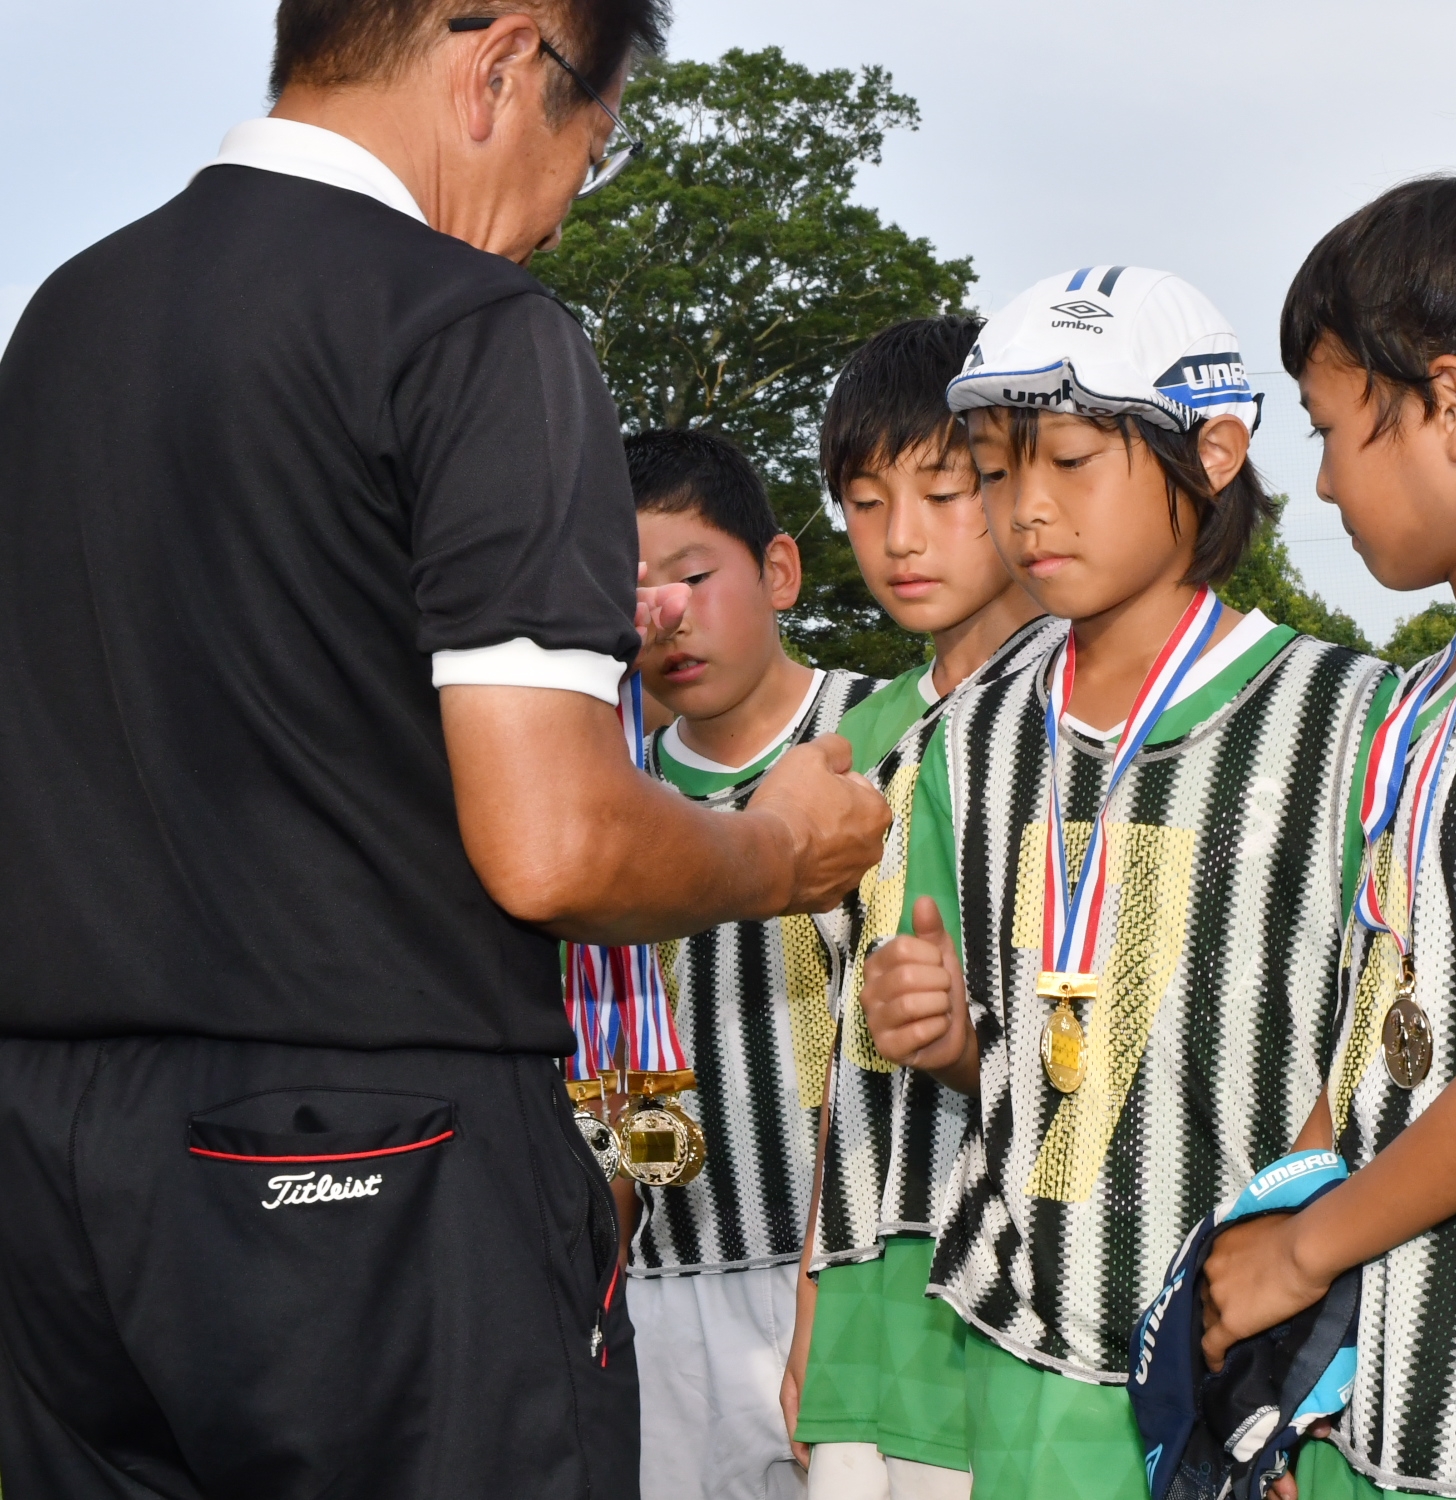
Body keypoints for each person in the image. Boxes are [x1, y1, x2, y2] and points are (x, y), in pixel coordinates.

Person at [0, 5, 888, 1497]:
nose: (558, 216)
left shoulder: (62, 321)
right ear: (503, 67)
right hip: (371, 1159)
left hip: (56, 1171)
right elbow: (553, 842)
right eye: (589, 154)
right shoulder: (468, 329)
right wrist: (780, 850)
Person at [857, 266, 1390, 1500]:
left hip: (1252, 1375)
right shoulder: (967, 743)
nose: (1028, 508)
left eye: (1071, 461)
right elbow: (1004, 1061)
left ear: (1214, 453)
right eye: (998, 471)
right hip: (1030, 1365)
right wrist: (938, 1036)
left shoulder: (1353, 718)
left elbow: (1387, 1057)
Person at [1192, 174, 1456, 1499]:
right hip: (1391, 1381)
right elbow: (1376, 1017)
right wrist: (1285, 1346)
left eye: (1332, 430)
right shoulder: (1429, 691)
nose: (1323, 481)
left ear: (1449, 405)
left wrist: (1299, 1254)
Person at [787, 315, 1058, 1500]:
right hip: (868, 1281)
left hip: (1026, 1284)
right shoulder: (855, 745)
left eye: (945, 493)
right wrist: (809, 1304)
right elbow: (841, 1044)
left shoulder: (1085, 712)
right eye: (864, 501)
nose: (900, 538)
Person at [619, 427, 881, 1500]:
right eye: (631, 589)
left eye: (692, 576)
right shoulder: (606, 798)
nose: (666, 616)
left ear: (778, 570)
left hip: (859, 1276)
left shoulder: (887, 738)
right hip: (662, 1287)